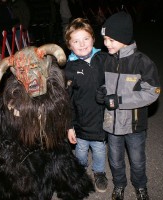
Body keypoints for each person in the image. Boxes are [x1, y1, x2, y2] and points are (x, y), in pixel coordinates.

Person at [98, 11, 161, 200]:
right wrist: (101, 91)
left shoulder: (142, 62)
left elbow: (152, 92)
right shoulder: (107, 60)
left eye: (110, 39)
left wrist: (121, 101)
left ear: (123, 38)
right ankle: (119, 185)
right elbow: (104, 83)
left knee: (137, 161)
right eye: (105, 39)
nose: (106, 44)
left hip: (134, 126)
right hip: (112, 124)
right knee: (115, 160)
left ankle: (141, 186)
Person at [64, 18, 110, 193]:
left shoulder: (104, 59)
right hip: (81, 122)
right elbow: (67, 100)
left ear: (93, 39)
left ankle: (99, 172)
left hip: (100, 120)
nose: (82, 44)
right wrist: (69, 126)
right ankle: (80, 171)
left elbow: (115, 83)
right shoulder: (69, 68)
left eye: (86, 39)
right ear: (69, 45)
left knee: (99, 149)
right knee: (81, 151)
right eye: (76, 41)